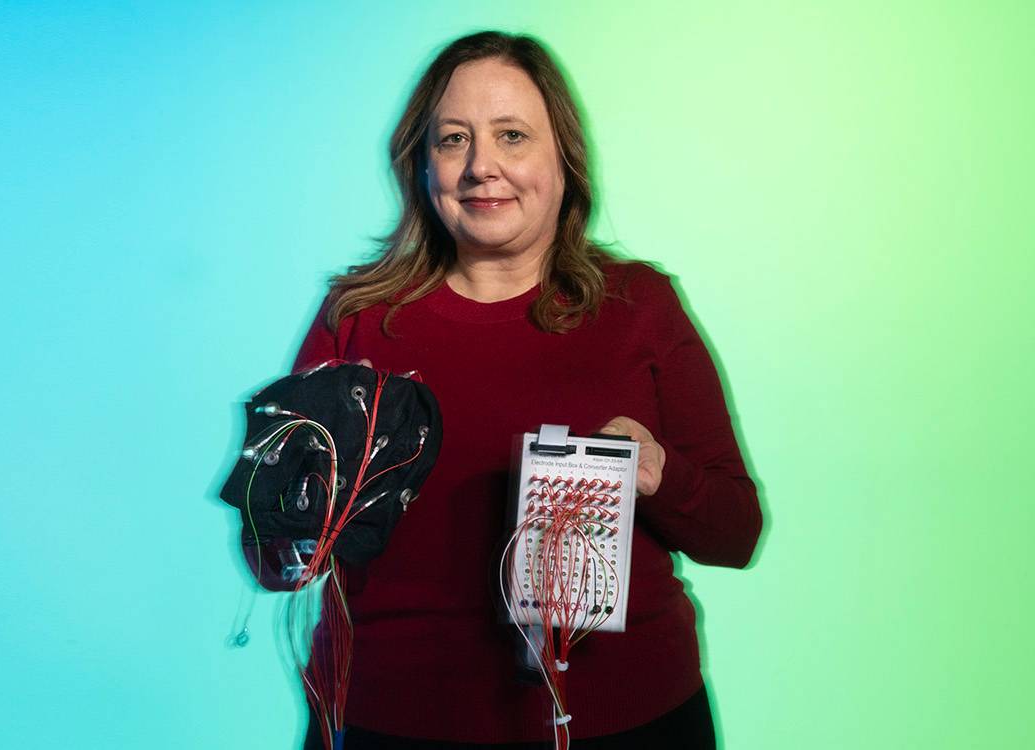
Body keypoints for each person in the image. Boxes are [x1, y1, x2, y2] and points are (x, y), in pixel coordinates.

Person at [265, 31, 763, 748]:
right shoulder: (357, 318)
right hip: (390, 721)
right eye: (454, 139)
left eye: (512, 136)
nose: (481, 167)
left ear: (563, 160)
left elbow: (735, 534)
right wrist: (289, 501)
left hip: (627, 721)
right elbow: (276, 558)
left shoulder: (639, 306)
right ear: (421, 166)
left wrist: (661, 474)